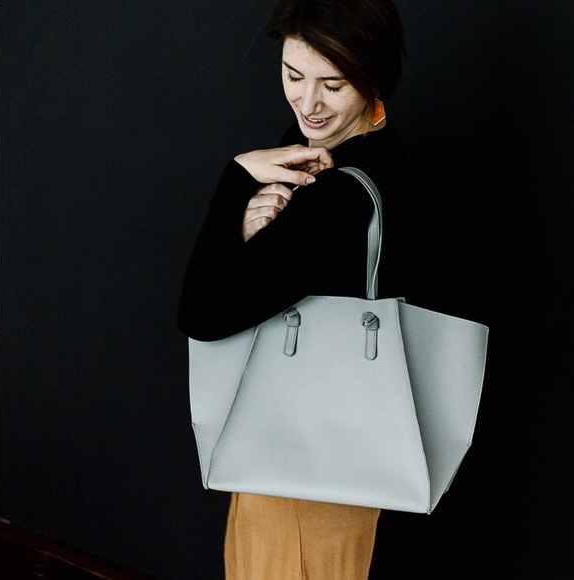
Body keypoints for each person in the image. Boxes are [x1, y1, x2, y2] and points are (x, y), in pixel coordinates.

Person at [178, 0, 418, 577]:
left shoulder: (338, 198)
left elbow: (202, 313)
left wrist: (237, 180)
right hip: (341, 461)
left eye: (332, 85)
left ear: (374, 78)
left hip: (304, 481)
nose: (308, 103)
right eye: (293, 76)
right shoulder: (368, 151)